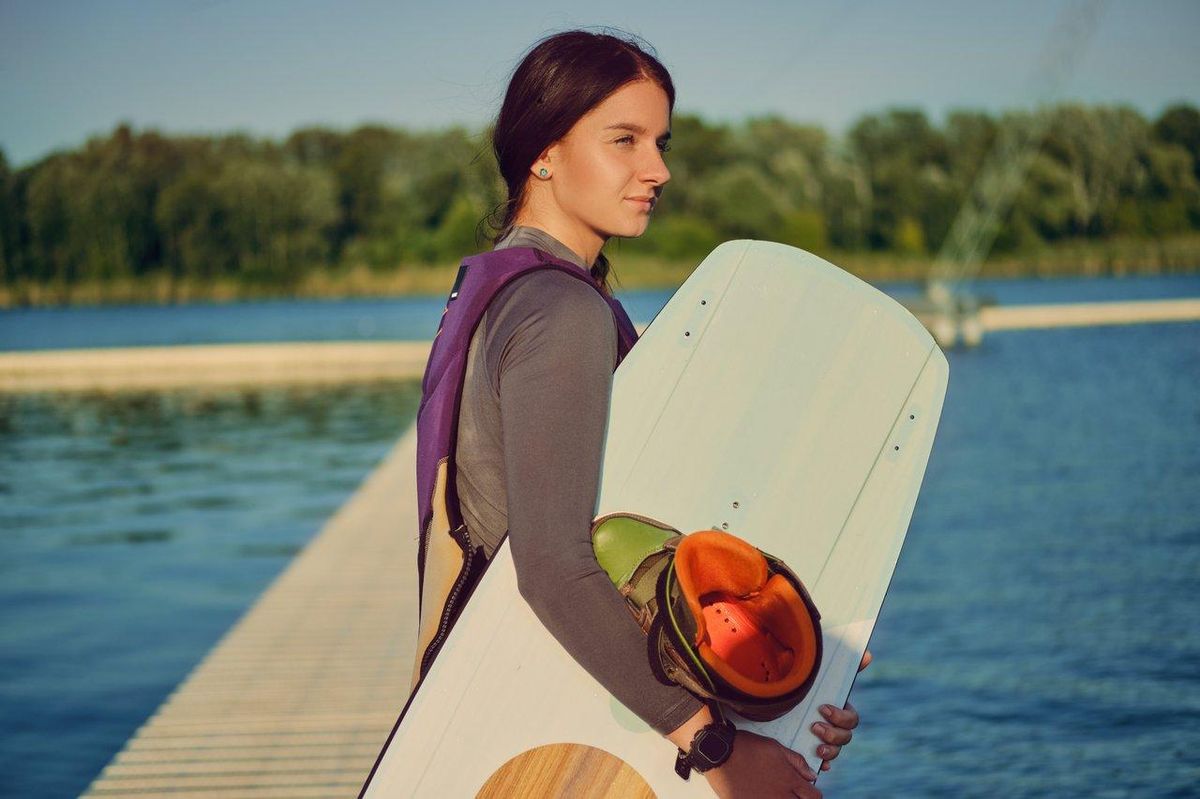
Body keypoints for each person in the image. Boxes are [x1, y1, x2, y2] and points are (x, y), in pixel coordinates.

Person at [415, 28, 866, 798]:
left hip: (527, 715)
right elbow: (555, 569)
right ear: (543, 152)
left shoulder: (503, 291)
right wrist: (718, 746)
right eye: (623, 140)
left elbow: (640, 540)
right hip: (561, 738)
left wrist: (782, 688)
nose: (656, 170)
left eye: (659, 142)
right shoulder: (561, 312)